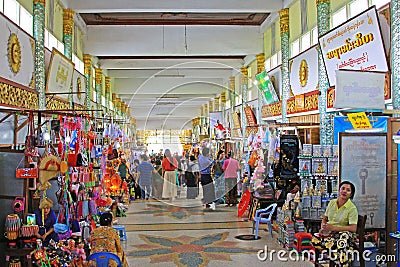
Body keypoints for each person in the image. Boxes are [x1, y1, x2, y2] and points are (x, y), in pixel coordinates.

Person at [312, 181, 358, 267]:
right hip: (330, 234)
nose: (344, 191)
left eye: (348, 190)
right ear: (339, 190)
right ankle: (337, 257)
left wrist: (333, 228)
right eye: (343, 189)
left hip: (343, 234)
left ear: (351, 194)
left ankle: (339, 260)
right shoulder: (332, 203)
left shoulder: (352, 208)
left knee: (342, 241)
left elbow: (353, 228)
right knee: (314, 239)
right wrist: (323, 227)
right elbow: (325, 218)